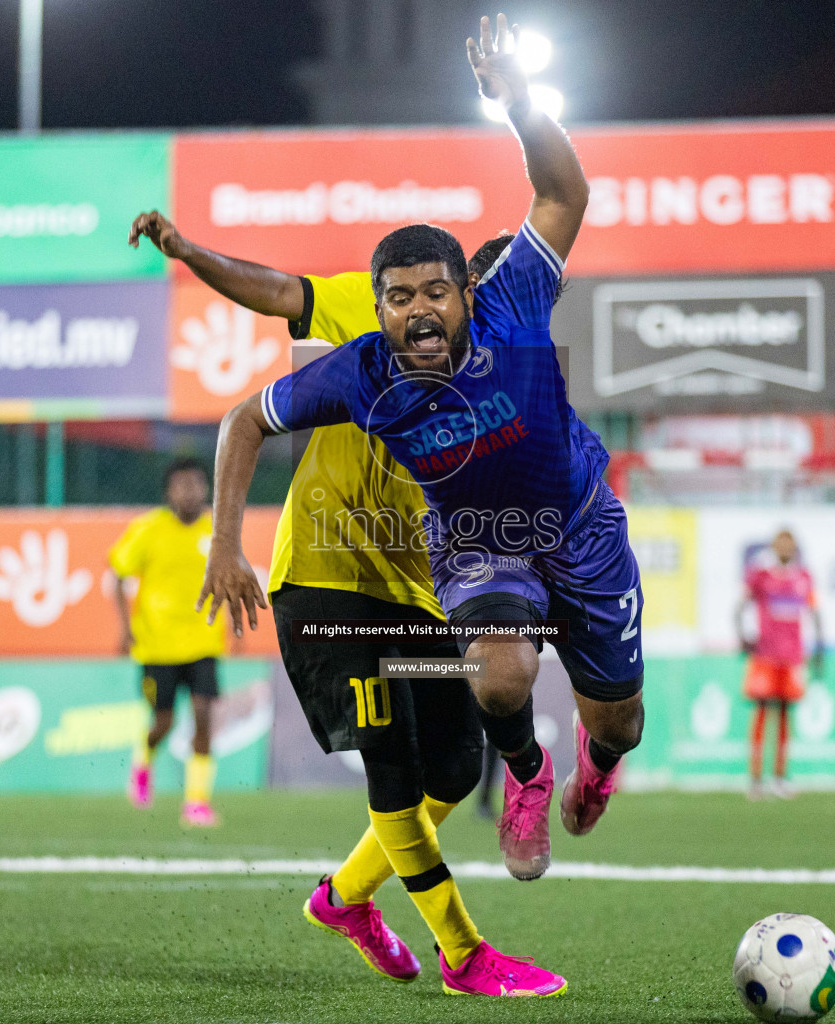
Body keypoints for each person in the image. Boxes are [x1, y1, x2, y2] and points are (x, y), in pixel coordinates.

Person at [200, 13, 645, 891]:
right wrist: (224, 542)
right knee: (500, 676)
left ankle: (598, 764)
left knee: (622, 720)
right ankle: (526, 774)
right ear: (379, 309)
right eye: (398, 298)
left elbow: (564, 198)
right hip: (479, 540)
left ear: (465, 293)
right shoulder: (360, 371)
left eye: (435, 290)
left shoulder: (512, 301)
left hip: (581, 529)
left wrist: (518, 101)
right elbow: (243, 419)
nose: (418, 310)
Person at [127, 176, 563, 997]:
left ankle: (345, 899)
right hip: (328, 582)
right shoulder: (371, 323)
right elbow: (273, 303)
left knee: (456, 771)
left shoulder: (516, 382)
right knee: (391, 762)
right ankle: (465, 955)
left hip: (418, 596)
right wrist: (188, 253)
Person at [109, 458, 226, 825]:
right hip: (157, 645)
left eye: (196, 484)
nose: (189, 491)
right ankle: (143, 764)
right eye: (181, 485)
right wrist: (125, 628)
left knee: (204, 716)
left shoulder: (218, 532)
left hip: (203, 641)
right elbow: (116, 574)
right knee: (163, 721)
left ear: (206, 489)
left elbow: (231, 576)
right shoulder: (148, 530)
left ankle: (196, 802)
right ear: (168, 492)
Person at [736, 529, 824, 800]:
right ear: (774, 546)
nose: (785, 548)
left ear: (794, 547)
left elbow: (814, 612)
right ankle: (755, 779)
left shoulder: (803, 578)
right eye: (781, 543)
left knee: (786, 715)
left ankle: (779, 777)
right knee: (762, 713)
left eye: (790, 544)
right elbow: (739, 606)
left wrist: (819, 646)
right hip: (765, 655)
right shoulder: (761, 576)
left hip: (792, 657)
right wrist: (742, 636)